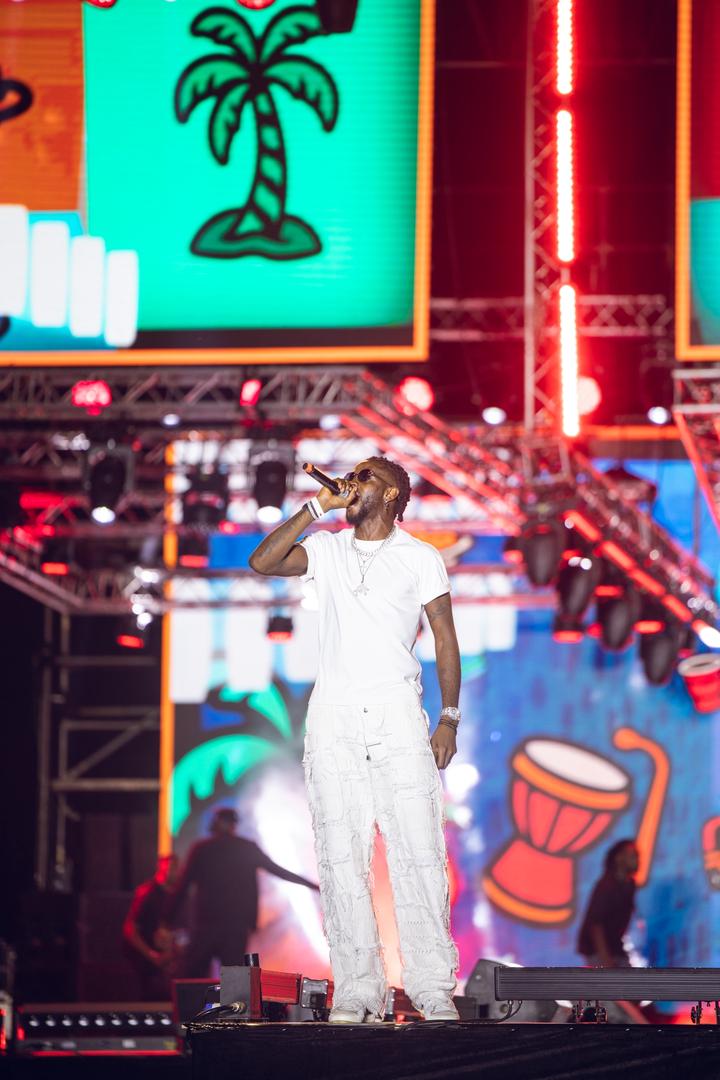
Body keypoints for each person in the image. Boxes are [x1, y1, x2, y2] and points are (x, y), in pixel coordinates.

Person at [249, 457, 461, 1023]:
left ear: (390, 494)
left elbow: (444, 637)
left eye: (365, 476)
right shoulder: (328, 549)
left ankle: (432, 988)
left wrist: (448, 717)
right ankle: (357, 991)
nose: (352, 481)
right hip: (335, 717)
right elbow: (263, 561)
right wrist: (317, 506)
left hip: (397, 712)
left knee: (419, 852)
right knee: (341, 857)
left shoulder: (420, 557)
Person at [167, 807, 319, 978]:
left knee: (194, 979)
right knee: (234, 981)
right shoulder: (246, 848)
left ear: (216, 823)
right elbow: (279, 871)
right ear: (234, 825)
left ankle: (196, 997)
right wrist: (314, 886)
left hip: (207, 924)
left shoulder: (201, 849)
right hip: (235, 926)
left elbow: (183, 886)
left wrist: (166, 920)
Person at [122, 854, 179, 1001]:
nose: (177, 872)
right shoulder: (147, 893)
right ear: (162, 868)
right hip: (145, 965)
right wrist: (152, 956)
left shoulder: (175, 895)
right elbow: (130, 930)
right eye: (173, 868)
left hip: (164, 965)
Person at [577, 838, 639, 967]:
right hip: (597, 950)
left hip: (615, 947)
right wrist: (605, 957)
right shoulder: (606, 886)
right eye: (632, 856)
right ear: (619, 858)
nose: (637, 860)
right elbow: (596, 924)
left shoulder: (629, 885)